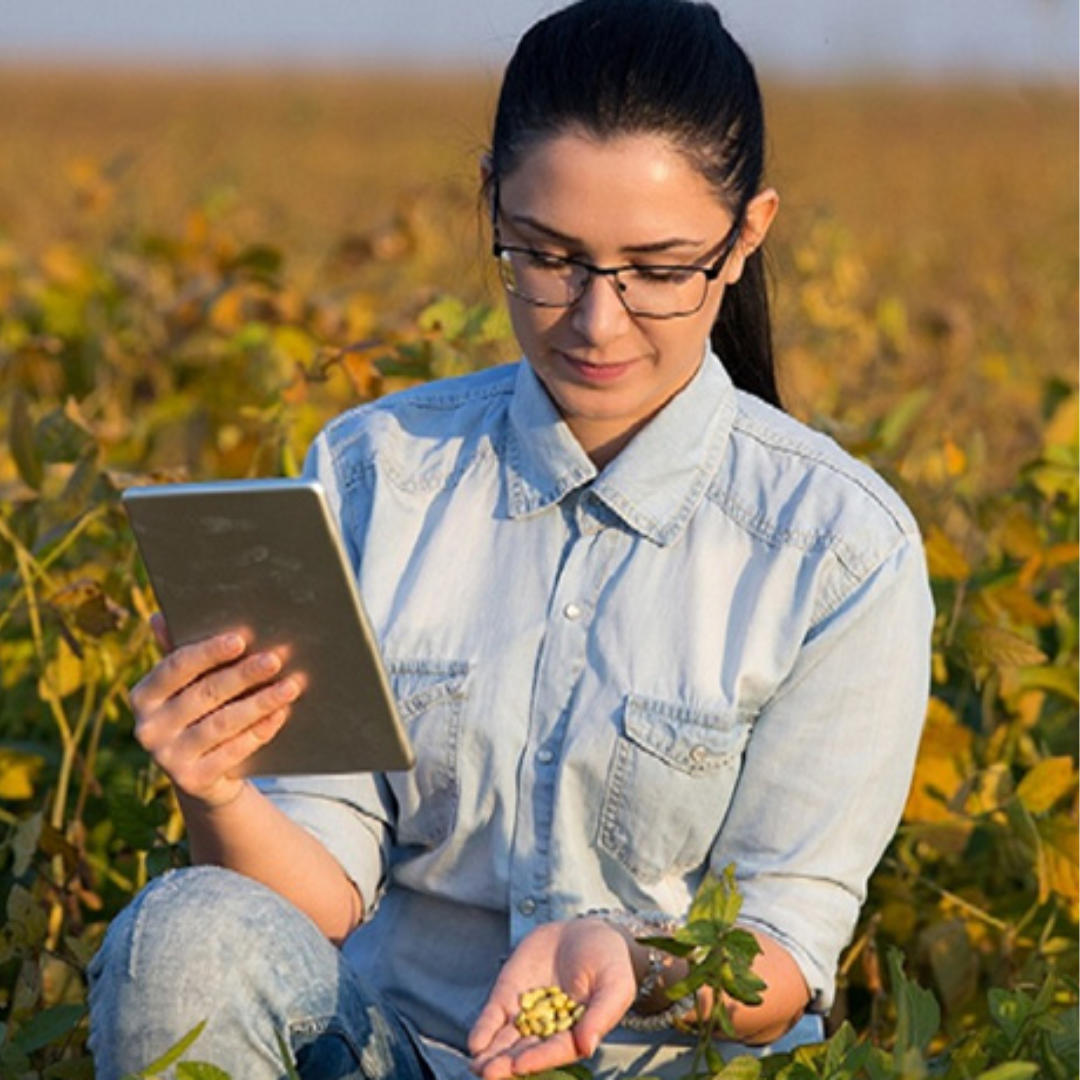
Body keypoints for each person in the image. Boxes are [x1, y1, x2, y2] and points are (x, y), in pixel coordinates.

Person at [88, 1, 933, 1077]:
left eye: (658, 270)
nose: (596, 321)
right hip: (394, 1051)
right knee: (183, 928)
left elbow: (786, 953)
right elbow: (315, 902)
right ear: (489, 201)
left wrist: (632, 959)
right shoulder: (371, 474)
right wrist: (217, 791)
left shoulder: (839, 550)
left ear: (747, 237)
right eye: (547, 257)